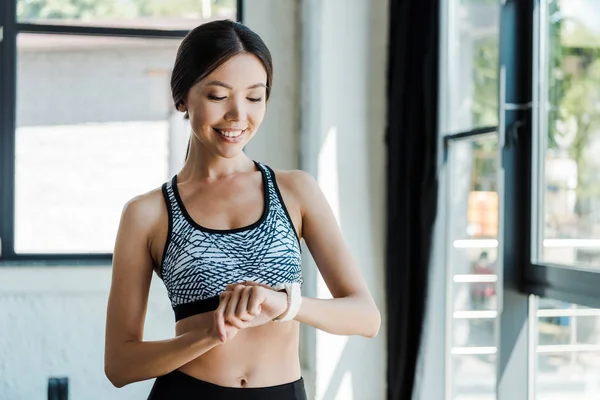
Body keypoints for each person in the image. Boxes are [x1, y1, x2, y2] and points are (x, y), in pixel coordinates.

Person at [104, 19, 381, 400]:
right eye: (218, 96)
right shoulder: (148, 213)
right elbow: (120, 364)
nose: (238, 115)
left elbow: (366, 317)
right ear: (182, 97)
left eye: (254, 97)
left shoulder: (296, 191)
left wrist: (285, 304)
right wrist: (208, 334)